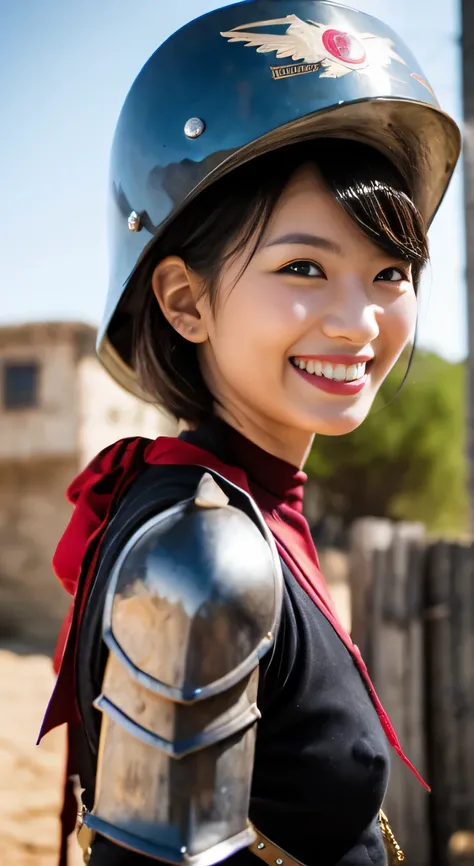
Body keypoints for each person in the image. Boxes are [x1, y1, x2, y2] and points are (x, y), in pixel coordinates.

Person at [38, 2, 461, 865]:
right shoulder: (206, 555)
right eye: (303, 268)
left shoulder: (240, 518)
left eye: (390, 272)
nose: (360, 323)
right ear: (185, 301)